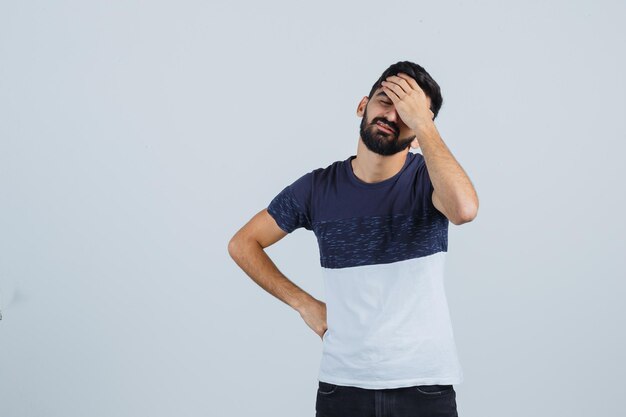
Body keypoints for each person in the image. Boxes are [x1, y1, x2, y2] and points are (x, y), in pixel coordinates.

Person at [228, 60, 479, 417]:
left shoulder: (430, 181)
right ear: (363, 105)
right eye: (385, 100)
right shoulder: (316, 188)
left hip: (424, 386)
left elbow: (464, 210)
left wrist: (424, 123)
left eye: (407, 112)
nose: (392, 116)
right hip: (343, 389)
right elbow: (242, 244)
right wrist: (304, 304)